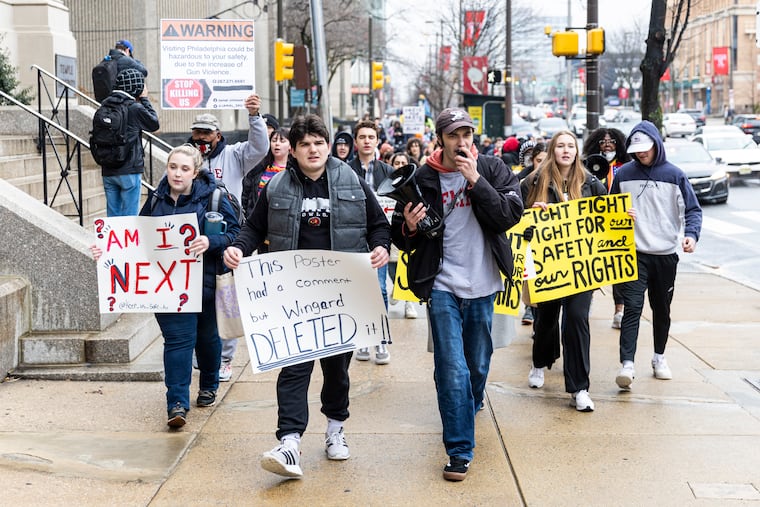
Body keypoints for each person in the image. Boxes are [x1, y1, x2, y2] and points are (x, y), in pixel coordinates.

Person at [223, 114, 390, 479]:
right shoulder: (277, 187)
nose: (312, 150)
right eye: (305, 145)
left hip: (340, 294)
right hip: (293, 296)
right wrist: (238, 248)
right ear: (294, 151)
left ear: (327, 147)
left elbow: (379, 224)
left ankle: (335, 430)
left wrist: (380, 247)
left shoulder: (352, 181)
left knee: (336, 370)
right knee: (294, 368)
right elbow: (253, 227)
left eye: (319, 143)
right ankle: (290, 442)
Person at [390, 108, 523, 481]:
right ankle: (460, 451)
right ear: (441, 140)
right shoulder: (423, 177)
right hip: (442, 283)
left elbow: (509, 215)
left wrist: (476, 181)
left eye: (467, 134)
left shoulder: (493, 169)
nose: (461, 142)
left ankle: (470, 402)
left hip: (483, 283)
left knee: (477, 366)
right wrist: (410, 227)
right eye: (453, 136)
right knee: (452, 367)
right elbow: (400, 233)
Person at [91, 145, 240, 428]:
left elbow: (236, 233)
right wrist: (107, 251)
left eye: (185, 169)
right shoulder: (157, 197)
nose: (177, 173)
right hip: (169, 288)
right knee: (178, 342)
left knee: (208, 339)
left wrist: (211, 242)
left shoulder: (216, 197)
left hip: (207, 284)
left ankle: (209, 383)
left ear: (195, 173)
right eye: (173, 167)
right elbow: (138, 236)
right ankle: (177, 404)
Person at [611, 121, 702, 389]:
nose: (641, 154)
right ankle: (627, 363)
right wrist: (618, 214)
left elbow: (693, 210)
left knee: (661, 309)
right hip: (634, 253)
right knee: (633, 308)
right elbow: (606, 208)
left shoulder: (675, 175)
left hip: (665, 254)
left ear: (656, 145)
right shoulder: (624, 174)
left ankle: (659, 357)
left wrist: (691, 235)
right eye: (637, 150)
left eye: (645, 149)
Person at [522, 130, 607, 412]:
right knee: (546, 319)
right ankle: (539, 363)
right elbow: (514, 215)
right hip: (548, 265)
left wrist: (624, 216)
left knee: (577, 319)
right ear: (552, 150)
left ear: (577, 151)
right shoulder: (533, 181)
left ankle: (579, 387)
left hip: (581, 269)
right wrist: (530, 211)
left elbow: (606, 218)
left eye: (571, 146)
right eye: (560, 146)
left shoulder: (591, 182)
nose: (566, 150)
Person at [188, 94, 269, 382]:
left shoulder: (234, 154)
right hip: (194, 241)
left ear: (217, 135)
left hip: (227, 238)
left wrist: (254, 116)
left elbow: (260, 147)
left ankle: (225, 358)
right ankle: (201, 355)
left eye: (207, 133)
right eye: (197, 132)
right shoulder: (187, 159)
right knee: (198, 299)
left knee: (227, 298)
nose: (201, 138)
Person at [349, 119, 395, 364]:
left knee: (379, 288)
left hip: (378, 237)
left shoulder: (387, 172)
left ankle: (381, 340)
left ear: (377, 141)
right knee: (358, 290)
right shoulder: (344, 169)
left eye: (371, 137)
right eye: (362, 137)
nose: (367, 141)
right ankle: (364, 340)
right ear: (355, 142)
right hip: (353, 237)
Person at [583, 127, 631, 329]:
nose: (608, 144)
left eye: (612, 140)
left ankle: (619, 310)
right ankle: (586, 303)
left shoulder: (626, 166)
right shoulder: (587, 166)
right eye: (602, 141)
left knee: (618, 268)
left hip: (617, 224)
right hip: (593, 225)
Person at [98, 68, 159, 217]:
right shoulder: (134, 108)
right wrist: (144, 98)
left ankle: (112, 241)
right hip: (129, 170)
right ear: (137, 88)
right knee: (129, 218)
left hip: (108, 169)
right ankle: (128, 241)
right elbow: (154, 123)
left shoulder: (105, 106)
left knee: (113, 217)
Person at [387, 151, 420, 319]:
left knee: (406, 268)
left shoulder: (412, 185)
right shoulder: (385, 184)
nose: (400, 166)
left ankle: (409, 304)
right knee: (393, 270)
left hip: (405, 233)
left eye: (403, 163)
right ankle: (396, 288)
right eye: (396, 163)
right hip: (389, 233)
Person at [241, 127, 290, 218]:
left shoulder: (293, 171)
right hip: (257, 219)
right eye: (274, 140)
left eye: (282, 141)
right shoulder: (258, 168)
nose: (277, 144)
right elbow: (245, 194)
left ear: (290, 146)